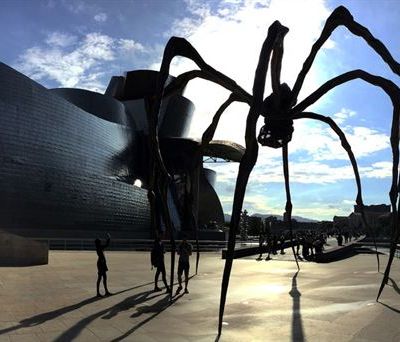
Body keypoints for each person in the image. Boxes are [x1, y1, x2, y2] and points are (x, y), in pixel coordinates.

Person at [95, 233, 112, 297]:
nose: (101, 242)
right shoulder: (99, 248)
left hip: (102, 263)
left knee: (104, 277)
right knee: (100, 278)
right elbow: (106, 245)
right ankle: (98, 293)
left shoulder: (99, 247)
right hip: (101, 264)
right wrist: (109, 238)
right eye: (100, 241)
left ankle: (106, 291)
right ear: (98, 243)